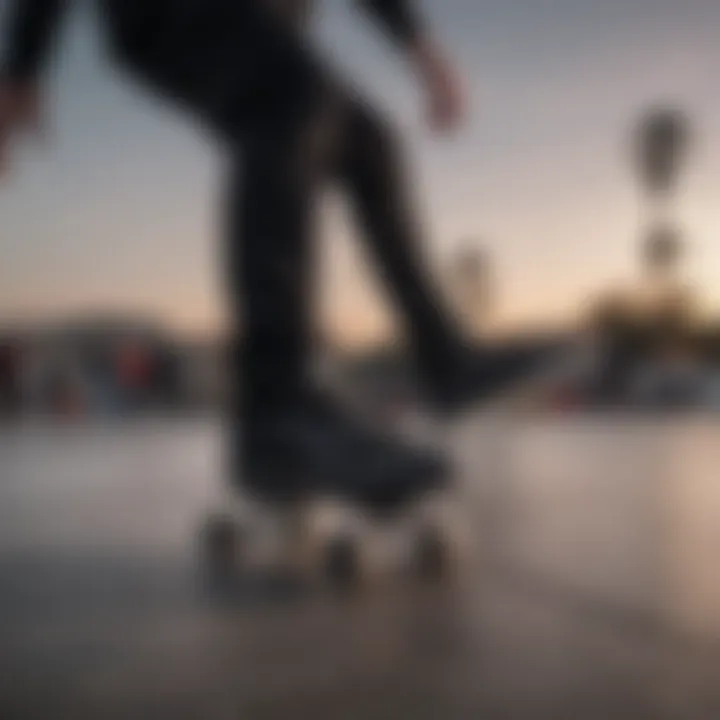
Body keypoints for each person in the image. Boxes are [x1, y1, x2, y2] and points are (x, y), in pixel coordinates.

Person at [1, 0, 545, 510]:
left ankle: (445, 360)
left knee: (371, 143)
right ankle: (276, 412)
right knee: (290, 100)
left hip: (257, 28)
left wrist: (422, 50)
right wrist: (24, 68)